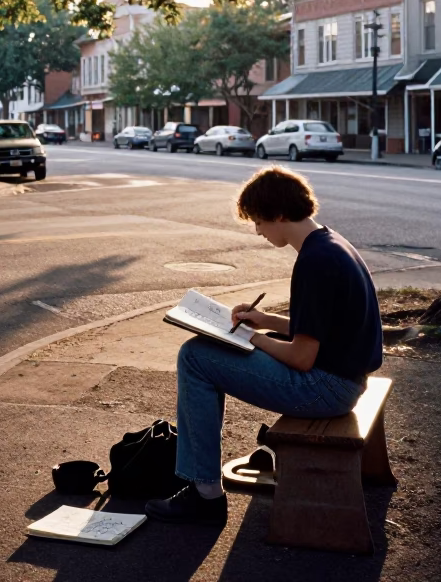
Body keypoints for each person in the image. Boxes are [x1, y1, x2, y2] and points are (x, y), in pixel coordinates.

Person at [145, 165, 383, 527]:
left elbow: (302, 358)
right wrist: (266, 321)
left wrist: (252, 338)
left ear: (280, 214)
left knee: (194, 356)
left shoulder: (315, 263)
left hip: (327, 389)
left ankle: (205, 494)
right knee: (204, 354)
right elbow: (322, 331)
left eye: (259, 221)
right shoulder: (331, 243)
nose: (258, 231)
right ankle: (199, 483)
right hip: (345, 376)